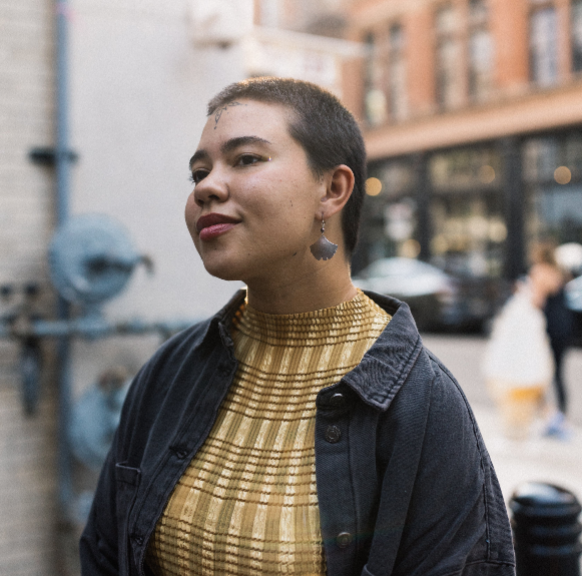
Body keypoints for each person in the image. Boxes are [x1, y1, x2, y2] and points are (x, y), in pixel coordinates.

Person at [80, 77, 515, 576]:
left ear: (332, 190)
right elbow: (104, 551)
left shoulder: (422, 403)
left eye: (246, 159)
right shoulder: (169, 372)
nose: (207, 186)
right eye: (198, 172)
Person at [529, 241, 574, 439]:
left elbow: (536, 302)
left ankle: (550, 417)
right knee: (558, 373)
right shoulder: (560, 272)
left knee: (541, 373)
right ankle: (561, 415)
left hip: (547, 329)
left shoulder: (540, 271)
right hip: (564, 326)